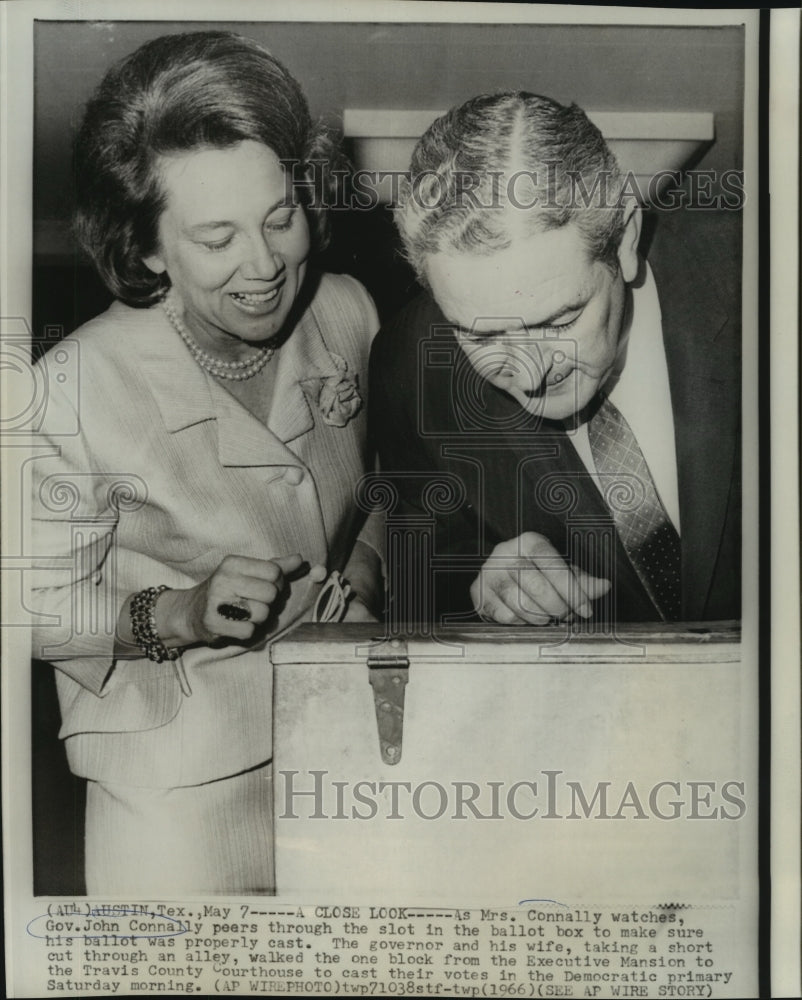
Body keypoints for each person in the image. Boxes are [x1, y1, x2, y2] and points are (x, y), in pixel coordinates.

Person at [30, 30, 383, 894]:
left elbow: (386, 483)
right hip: (172, 789)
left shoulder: (346, 311)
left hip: (347, 743)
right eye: (217, 238)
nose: (266, 267)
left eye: (280, 218)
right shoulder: (71, 385)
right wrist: (179, 613)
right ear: (147, 249)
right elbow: (29, 604)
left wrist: (365, 576)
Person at [370, 92, 740, 627]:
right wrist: (484, 584)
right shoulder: (408, 363)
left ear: (626, 238)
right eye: (482, 336)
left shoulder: (761, 281)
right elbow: (425, 574)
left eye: (558, 322)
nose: (532, 373)